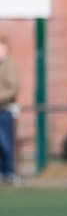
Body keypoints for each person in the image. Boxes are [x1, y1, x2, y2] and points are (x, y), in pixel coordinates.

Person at [0, 35, 19, 185]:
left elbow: (12, 88)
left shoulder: (10, 65)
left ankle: (10, 173)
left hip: (5, 110)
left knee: (7, 143)